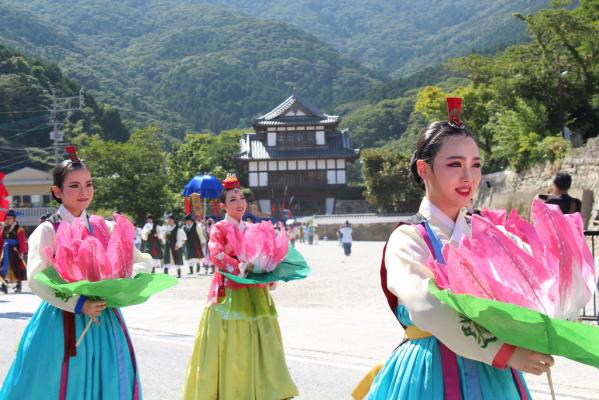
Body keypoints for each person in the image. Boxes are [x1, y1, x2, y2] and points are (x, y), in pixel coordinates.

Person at [362, 99, 554, 399]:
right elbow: (426, 307)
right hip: (430, 372)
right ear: (424, 169)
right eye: (454, 164)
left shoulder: (489, 235)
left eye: (475, 165)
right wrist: (505, 353)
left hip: (495, 371)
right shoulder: (409, 239)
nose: (469, 177)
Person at [0, 146, 152, 399]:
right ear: (57, 192)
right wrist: (78, 303)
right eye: (74, 186)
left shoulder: (105, 226)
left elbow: (140, 259)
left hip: (105, 316)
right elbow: (38, 279)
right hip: (62, 319)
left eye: (89, 184)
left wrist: (128, 281)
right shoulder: (48, 230)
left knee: (110, 379)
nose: (84, 191)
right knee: (58, 381)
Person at [183, 174, 298, 400]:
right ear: (223, 205)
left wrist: (268, 273)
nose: (239, 203)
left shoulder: (252, 227)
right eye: (233, 200)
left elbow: (264, 254)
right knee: (233, 346)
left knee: (263, 341)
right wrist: (241, 268)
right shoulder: (219, 228)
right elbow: (216, 255)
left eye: (242, 198)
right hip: (229, 291)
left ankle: (268, 388)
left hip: (255, 291)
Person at [0, 210, 28, 294]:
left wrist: (22, 252)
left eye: (9, 219)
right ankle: (4, 285)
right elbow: (1, 241)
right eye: (6, 219)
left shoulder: (19, 229)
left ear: (14, 219)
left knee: (16, 268)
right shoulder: (4, 229)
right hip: (5, 251)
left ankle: (18, 285)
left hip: (15, 252)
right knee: (4, 267)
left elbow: (22, 241)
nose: (7, 220)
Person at [162, 214, 186, 278]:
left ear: (173, 221)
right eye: (168, 220)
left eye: (170, 220)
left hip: (175, 246)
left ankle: (178, 273)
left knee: (176, 258)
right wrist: (164, 237)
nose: (169, 221)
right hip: (167, 246)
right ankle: (165, 273)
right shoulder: (167, 228)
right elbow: (164, 236)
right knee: (167, 258)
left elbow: (181, 238)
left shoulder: (177, 229)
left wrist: (178, 245)